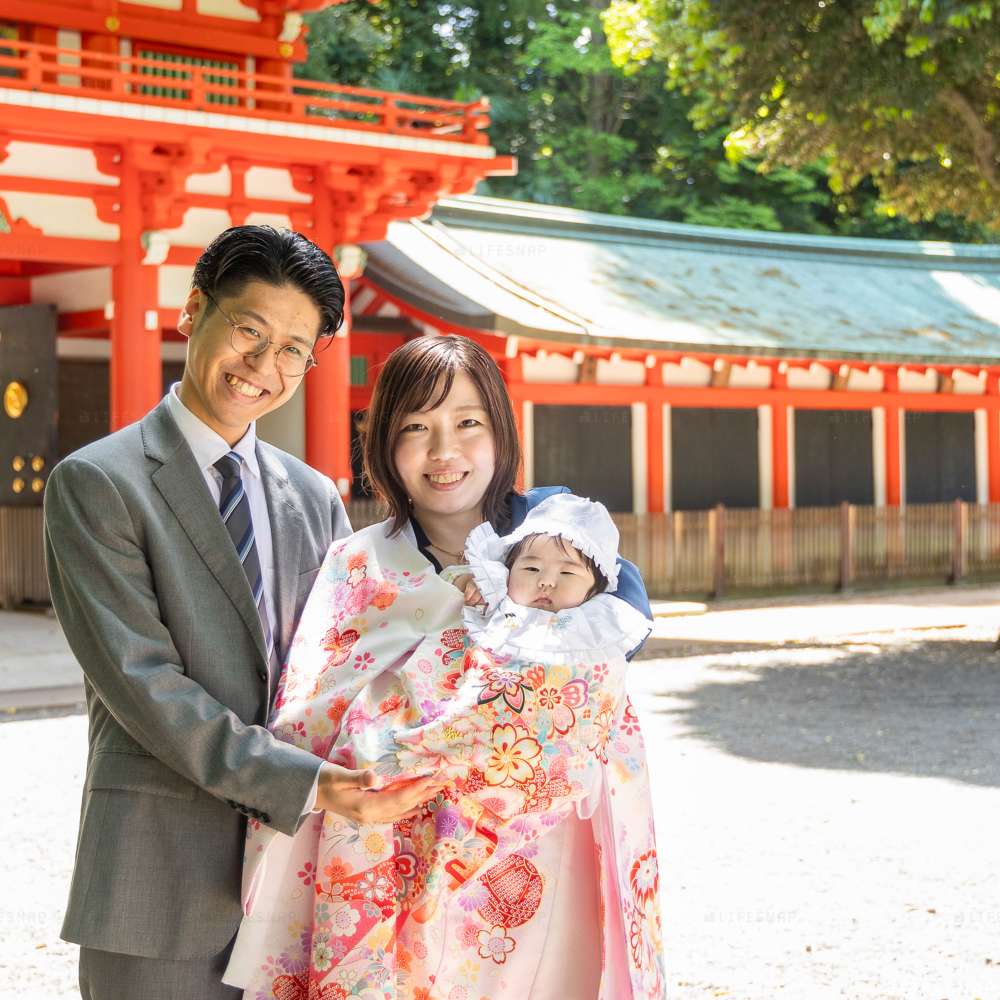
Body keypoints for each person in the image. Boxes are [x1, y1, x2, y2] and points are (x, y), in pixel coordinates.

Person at [43, 226, 444, 1000]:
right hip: (159, 877)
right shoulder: (99, 485)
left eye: (295, 349)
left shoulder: (313, 497)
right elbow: (145, 686)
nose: (265, 367)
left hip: (303, 878)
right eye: (250, 332)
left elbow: (360, 654)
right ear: (195, 311)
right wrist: (312, 783)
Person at [223, 336, 664, 999]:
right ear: (381, 445)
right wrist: (401, 728)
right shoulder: (358, 562)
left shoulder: (558, 534)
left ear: (501, 431)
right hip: (395, 857)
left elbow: (609, 649)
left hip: (542, 843)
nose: (443, 452)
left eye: (467, 423)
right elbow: (310, 711)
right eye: (415, 429)